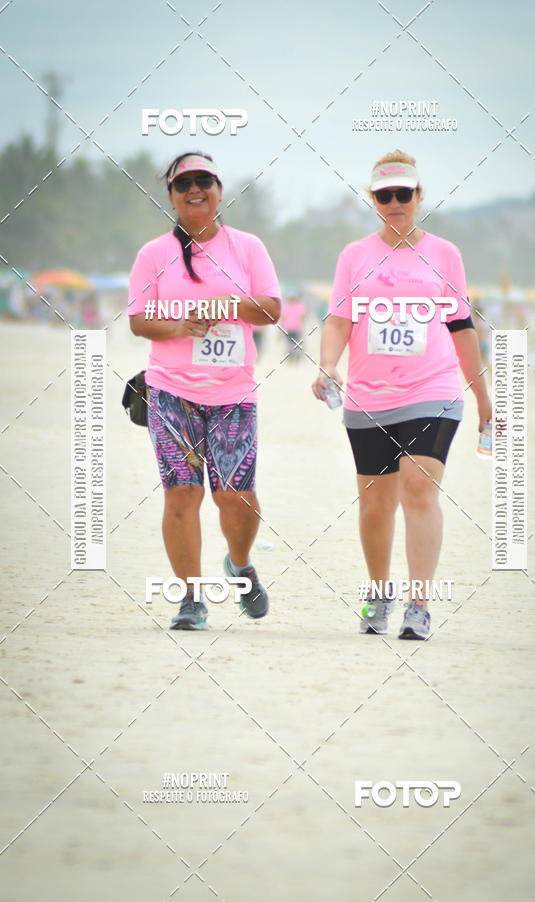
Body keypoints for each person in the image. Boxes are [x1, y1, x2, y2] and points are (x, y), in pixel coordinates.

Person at [312, 150, 491, 640]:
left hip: (433, 390)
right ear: (373, 199)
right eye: (385, 195)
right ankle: (378, 593)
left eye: (404, 193)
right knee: (375, 504)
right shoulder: (355, 256)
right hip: (369, 396)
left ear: (419, 195)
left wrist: (483, 396)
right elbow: (339, 320)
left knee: (420, 485)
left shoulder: (445, 255)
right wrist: (328, 365)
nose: (395, 202)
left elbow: (461, 329)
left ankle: (419, 606)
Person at [128, 152, 281, 630]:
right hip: (171, 392)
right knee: (182, 495)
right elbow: (137, 320)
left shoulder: (247, 248)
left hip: (233, 393)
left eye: (205, 181)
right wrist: (178, 327)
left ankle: (240, 564)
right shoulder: (154, 254)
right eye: (184, 183)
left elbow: (273, 310)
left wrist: (235, 303)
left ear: (219, 189)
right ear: (171, 196)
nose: (195, 189)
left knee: (236, 497)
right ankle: (191, 599)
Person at [280, 290, 306, 362]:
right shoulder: (285, 307)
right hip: (288, 328)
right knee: (289, 344)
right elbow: (282, 318)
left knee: (296, 343)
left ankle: (297, 356)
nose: (292, 300)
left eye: (293, 299)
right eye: (291, 299)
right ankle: (290, 357)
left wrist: (303, 327)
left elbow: (302, 318)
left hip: (297, 329)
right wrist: (280, 330)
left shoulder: (300, 307)